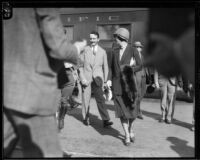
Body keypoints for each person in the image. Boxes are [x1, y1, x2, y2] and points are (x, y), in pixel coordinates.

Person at [3, 8, 87, 158]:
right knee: (49, 152)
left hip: (9, 88)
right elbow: (59, 49)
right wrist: (77, 49)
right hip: (33, 91)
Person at [107, 28, 142, 146]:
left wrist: (129, 69)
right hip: (117, 85)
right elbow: (111, 67)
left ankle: (131, 128)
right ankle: (127, 135)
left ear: (120, 38)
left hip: (129, 85)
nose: (114, 39)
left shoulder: (132, 50)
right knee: (122, 112)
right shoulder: (114, 51)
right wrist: (108, 80)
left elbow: (140, 65)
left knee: (132, 112)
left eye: (116, 37)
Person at [79, 31, 113, 127]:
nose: (92, 40)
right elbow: (80, 66)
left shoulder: (103, 52)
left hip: (98, 79)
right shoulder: (85, 50)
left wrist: (106, 81)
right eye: (91, 38)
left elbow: (106, 67)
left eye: (94, 38)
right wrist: (82, 78)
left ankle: (105, 120)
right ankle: (85, 118)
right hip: (86, 79)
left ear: (98, 39)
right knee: (86, 99)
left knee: (101, 100)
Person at [133, 41, 147, 120]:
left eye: (140, 47)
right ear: (134, 48)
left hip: (143, 77)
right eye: (137, 47)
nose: (139, 48)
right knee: (137, 94)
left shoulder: (142, 56)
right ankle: (137, 111)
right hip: (136, 77)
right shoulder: (133, 57)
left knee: (143, 92)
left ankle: (136, 109)